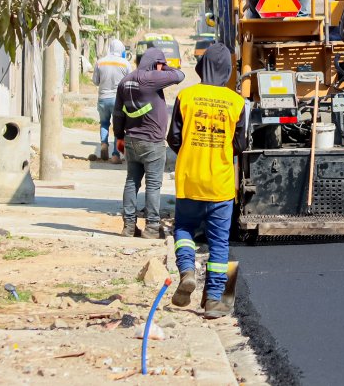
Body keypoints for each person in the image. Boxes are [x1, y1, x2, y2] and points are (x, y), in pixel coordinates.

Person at [165, 43, 245, 320]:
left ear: (201, 67)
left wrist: (191, 153)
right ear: (228, 71)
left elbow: (173, 138)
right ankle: (213, 300)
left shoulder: (186, 96)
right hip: (220, 184)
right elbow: (240, 144)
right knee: (219, 243)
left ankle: (187, 270)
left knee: (184, 228)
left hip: (189, 179)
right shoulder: (236, 102)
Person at [113, 46, 185, 239]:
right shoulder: (151, 78)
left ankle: (128, 227)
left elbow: (118, 113)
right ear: (156, 64)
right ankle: (152, 228)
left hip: (131, 139)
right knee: (153, 185)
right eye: (161, 65)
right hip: (152, 142)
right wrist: (164, 67)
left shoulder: (125, 81)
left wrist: (119, 135)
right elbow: (180, 75)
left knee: (131, 182)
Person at [92, 39, 130, 163]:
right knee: (119, 128)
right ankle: (116, 155)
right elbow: (129, 83)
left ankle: (103, 143)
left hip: (103, 98)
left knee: (104, 123)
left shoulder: (100, 62)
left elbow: (95, 81)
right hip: (118, 101)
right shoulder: (125, 64)